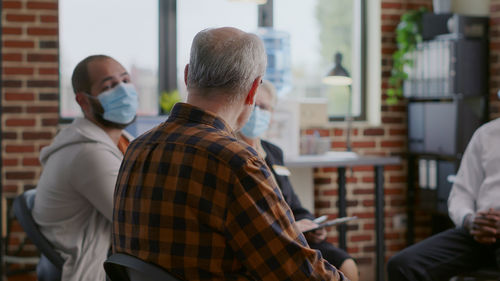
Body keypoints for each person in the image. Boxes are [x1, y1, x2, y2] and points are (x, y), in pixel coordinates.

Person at [113, 27, 345, 280]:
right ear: (253, 90)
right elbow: (298, 273)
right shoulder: (236, 162)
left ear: (187, 75)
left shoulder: (136, 148)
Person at [238, 80, 359, 281]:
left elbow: (293, 204)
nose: (257, 112)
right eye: (253, 105)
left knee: (347, 265)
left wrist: (312, 225)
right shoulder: (234, 154)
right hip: (272, 240)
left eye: (264, 107)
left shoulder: (274, 153)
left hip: (299, 236)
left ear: (272, 114)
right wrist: (292, 228)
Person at [32, 55, 138, 281]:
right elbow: (135, 220)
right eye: (109, 86)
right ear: (83, 101)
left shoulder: (118, 140)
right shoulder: (88, 153)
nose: (123, 90)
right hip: (91, 264)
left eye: (126, 81)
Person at [387, 118, 500, 280]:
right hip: (478, 233)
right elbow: (460, 194)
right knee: (402, 265)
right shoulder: (486, 134)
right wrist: (470, 219)